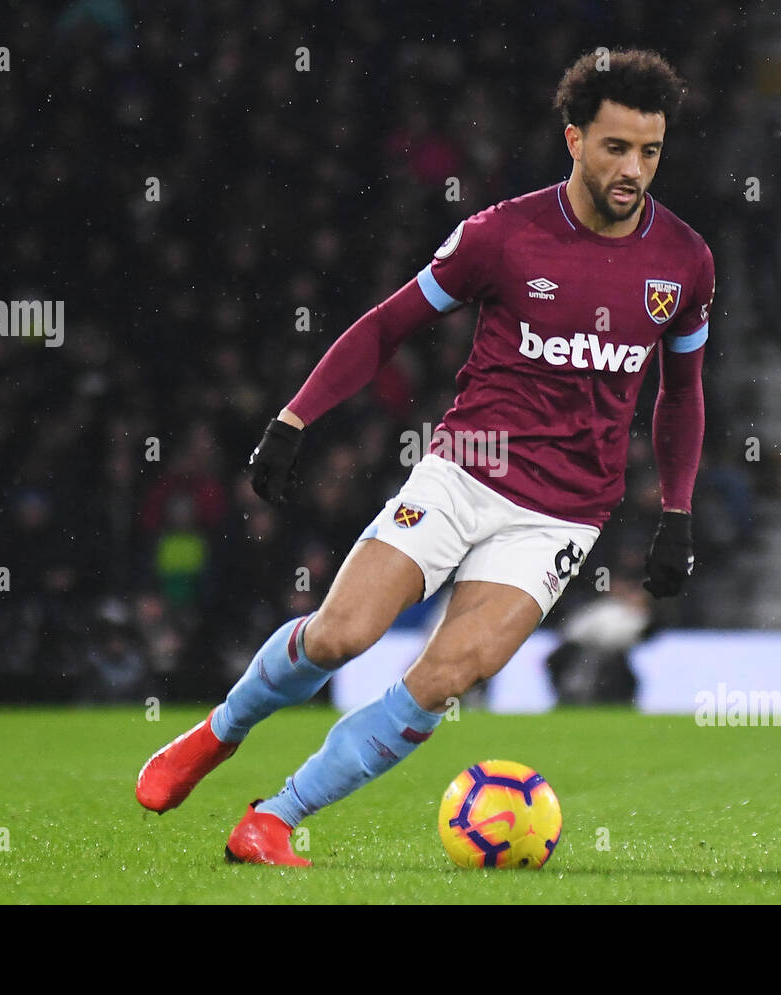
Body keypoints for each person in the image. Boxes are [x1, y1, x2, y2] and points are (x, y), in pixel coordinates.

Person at [135, 49, 715, 867]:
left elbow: (681, 394)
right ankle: (217, 733)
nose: (634, 169)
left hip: (563, 513)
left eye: (650, 151)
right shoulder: (503, 234)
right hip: (462, 473)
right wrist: (296, 418)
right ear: (574, 139)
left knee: (446, 677)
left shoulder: (684, 261)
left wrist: (678, 511)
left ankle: (273, 817)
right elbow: (386, 324)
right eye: (617, 147)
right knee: (341, 636)